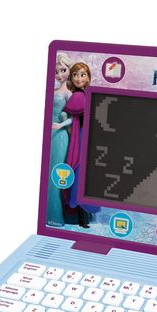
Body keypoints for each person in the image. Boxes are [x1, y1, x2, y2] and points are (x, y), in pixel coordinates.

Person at [63, 62, 100, 228]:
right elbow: (71, 118)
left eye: (82, 75)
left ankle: (84, 214)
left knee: (83, 174)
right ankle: (82, 214)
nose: (79, 79)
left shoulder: (86, 94)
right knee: (79, 174)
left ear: (88, 77)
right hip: (82, 136)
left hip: (86, 135)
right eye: (75, 75)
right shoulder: (78, 96)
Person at [46, 53, 72, 226]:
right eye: (56, 72)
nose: (59, 75)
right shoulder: (53, 91)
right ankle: (46, 214)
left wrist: (61, 125)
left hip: (59, 136)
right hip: (48, 133)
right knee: (46, 174)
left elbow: (74, 118)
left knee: (55, 176)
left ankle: (55, 217)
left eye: (63, 70)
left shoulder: (68, 94)